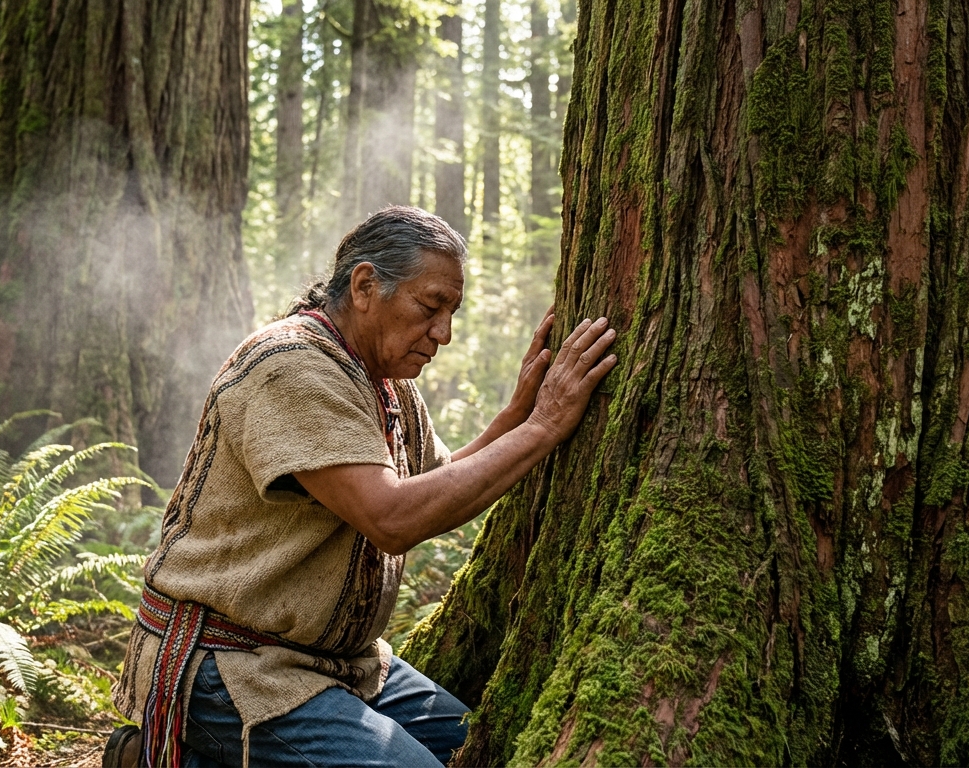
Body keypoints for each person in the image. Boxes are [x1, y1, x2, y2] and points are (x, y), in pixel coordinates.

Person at [104, 206, 618, 767]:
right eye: (430, 307)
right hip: (234, 664)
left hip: (345, 664)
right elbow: (394, 519)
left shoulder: (385, 383)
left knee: (481, 746)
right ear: (366, 284)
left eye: (452, 312)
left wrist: (519, 415)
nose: (443, 333)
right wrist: (545, 427)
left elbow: (434, 485)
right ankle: (170, 753)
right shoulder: (291, 368)